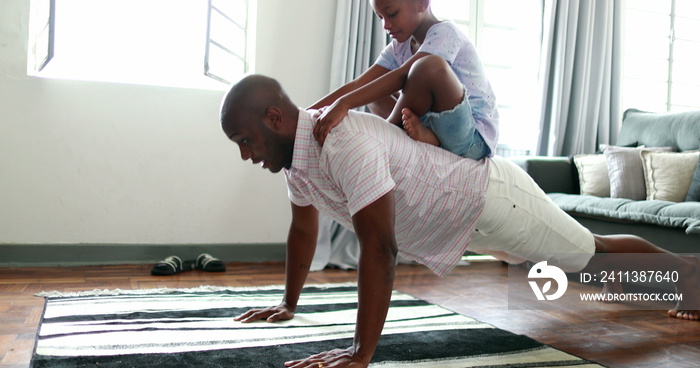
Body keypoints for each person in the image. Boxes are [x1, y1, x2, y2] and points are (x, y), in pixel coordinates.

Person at [221, 75, 699, 368]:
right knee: (587, 258)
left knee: (591, 258)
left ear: (275, 117)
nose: (246, 155)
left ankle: (694, 285)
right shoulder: (298, 165)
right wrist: (288, 303)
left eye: (245, 140)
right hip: (468, 229)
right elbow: (303, 230)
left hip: (492, 200)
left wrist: (360, 354)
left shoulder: (344, 141)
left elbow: (379, 247)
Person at [310, 0, 498, 161]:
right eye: (380, 17)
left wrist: (345, 104)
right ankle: (426, 136)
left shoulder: (446, 33)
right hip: (430, 125)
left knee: (428, 66)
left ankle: (389, 136)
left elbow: (403, 74)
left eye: (391, 14)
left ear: (422, 3)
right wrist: (305, 114)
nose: (385, 25)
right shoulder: (398, 47)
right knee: (371, 91)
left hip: (472, 136)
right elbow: (358, 84)